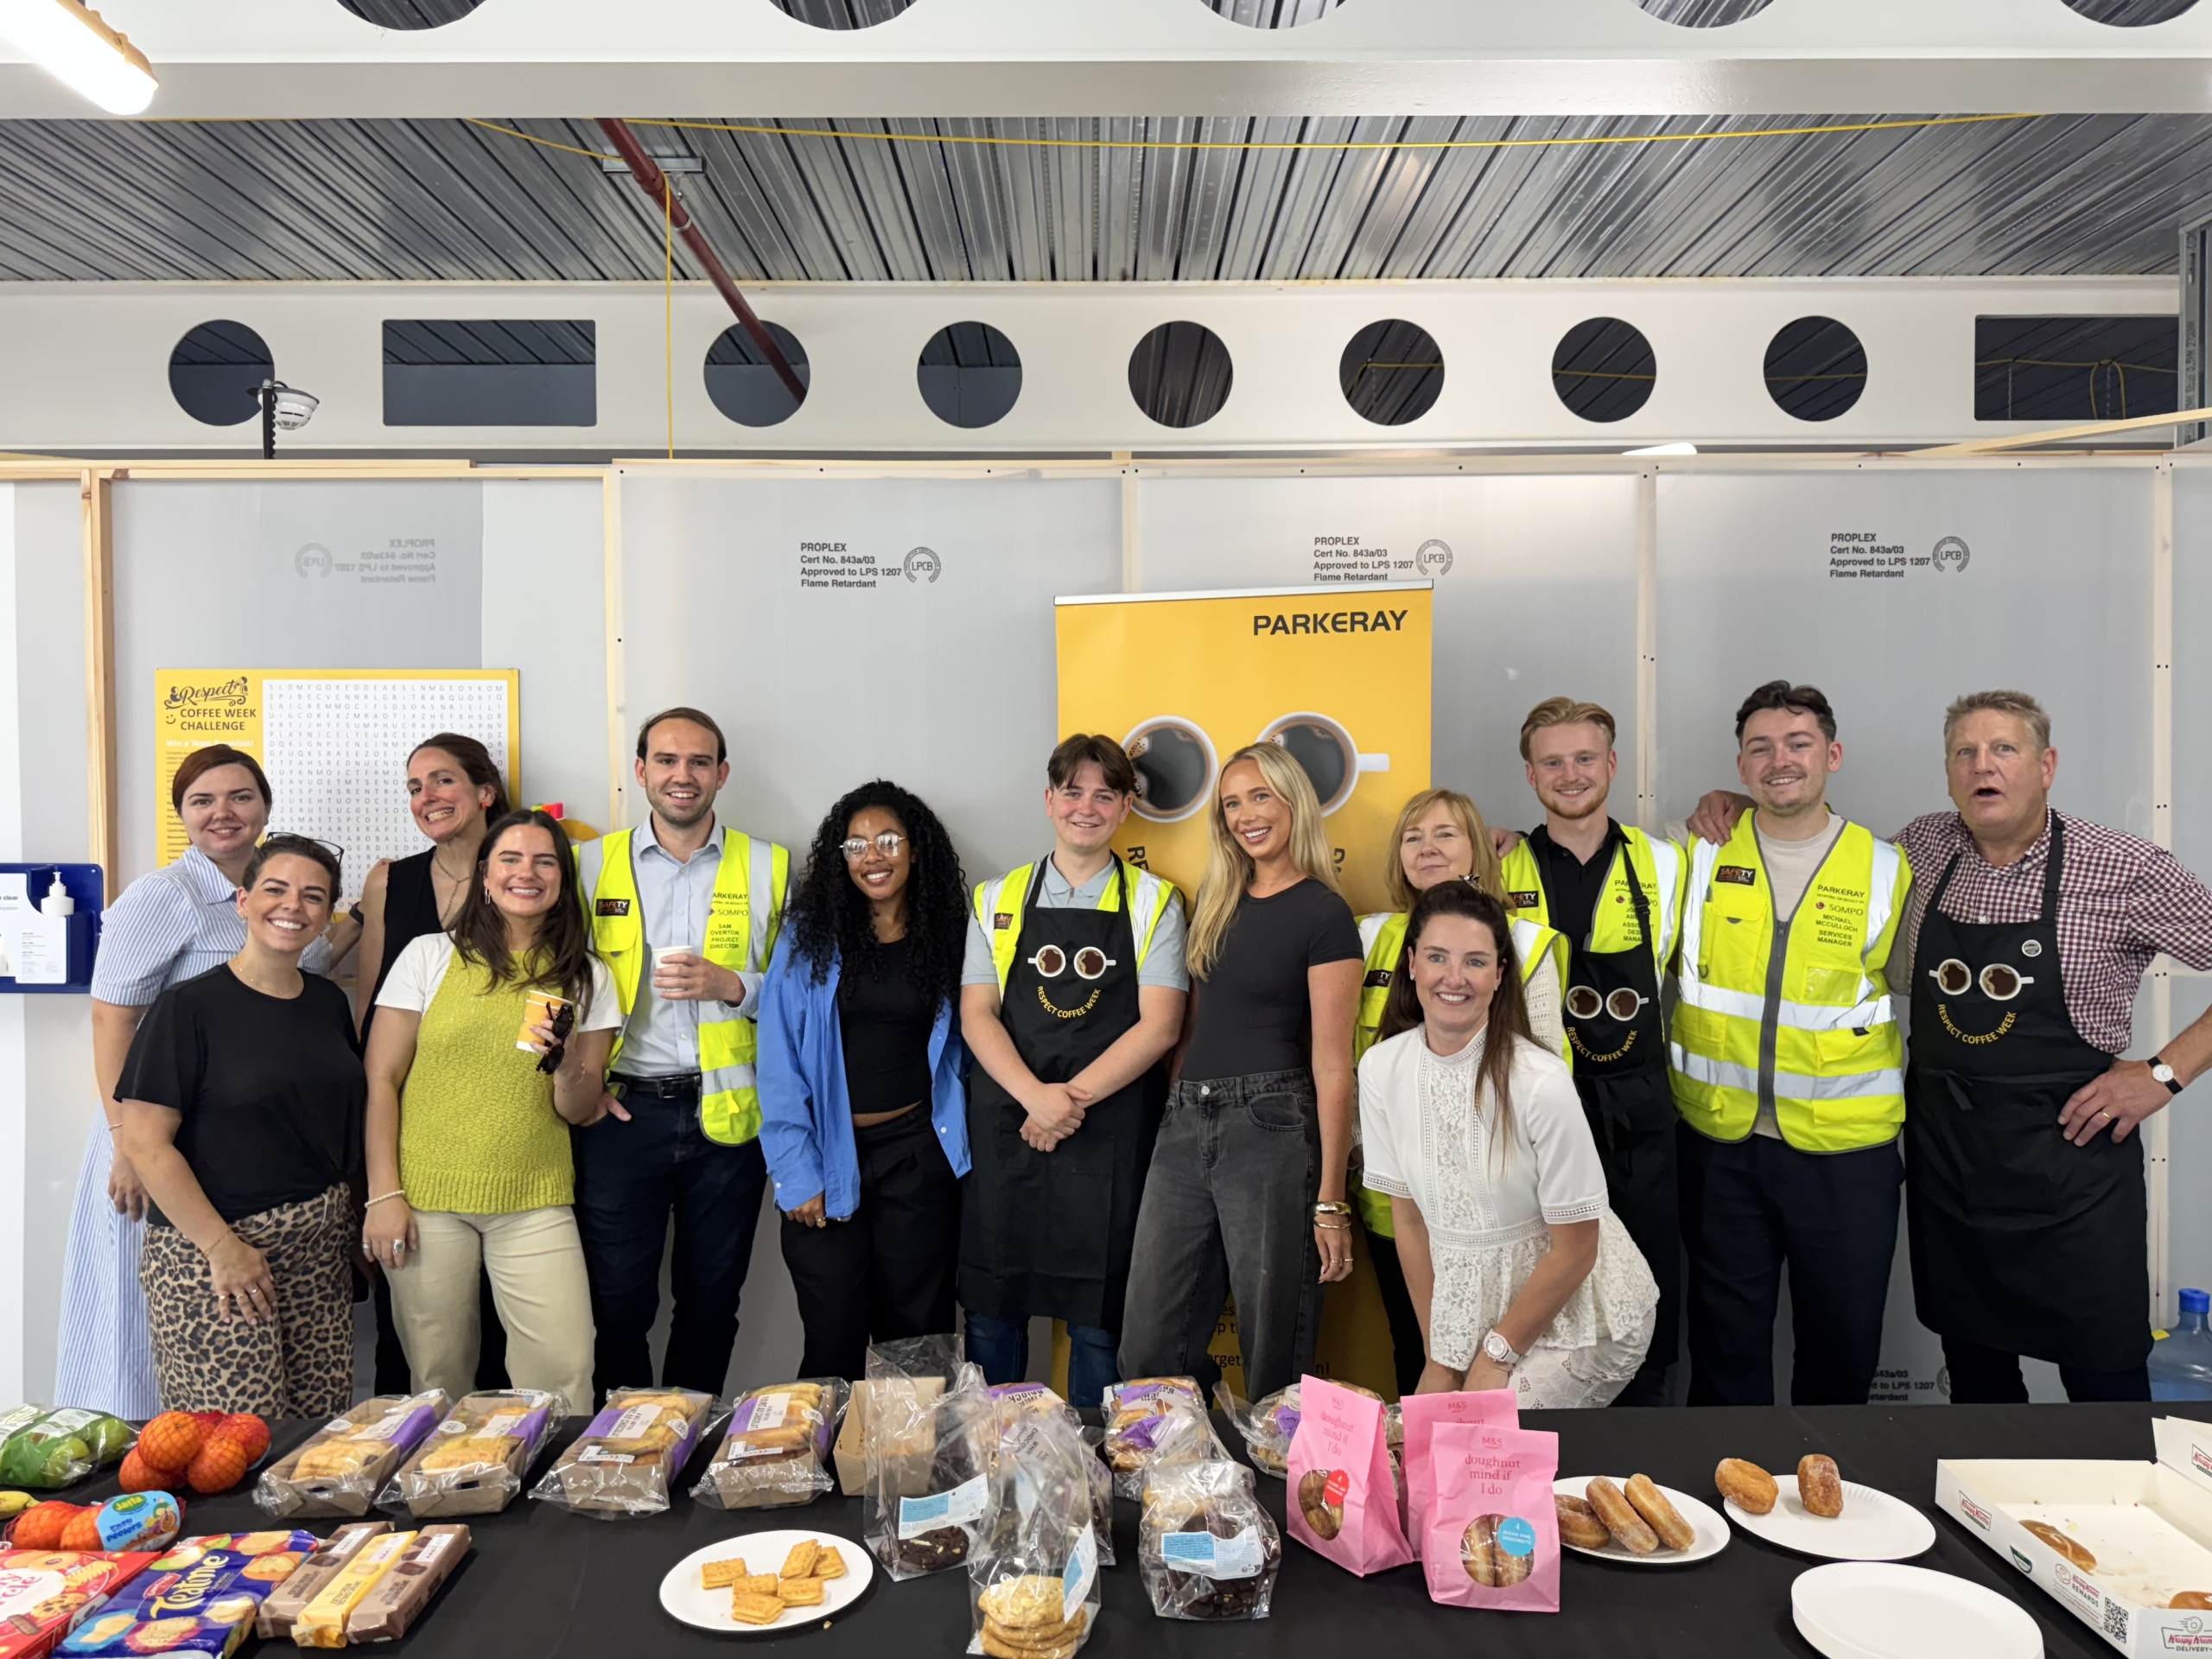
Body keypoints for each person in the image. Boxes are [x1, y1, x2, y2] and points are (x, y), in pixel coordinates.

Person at [1691, 690, 2212, 1403]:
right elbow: (1807, 835)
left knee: (2103, 1380)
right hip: (1954, 1166)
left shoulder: (2121, 866)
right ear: (1947, 774)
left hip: (2071, 1167)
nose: (1982, 766)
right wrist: (1740, 803)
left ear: (2046, 766)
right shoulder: (1921, 849)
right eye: (1964, 753)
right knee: (1977, 1384)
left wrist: (2163, 1074)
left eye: (2004, 750)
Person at [58, 743, 329, 1419]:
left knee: (225, 1317)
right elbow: (111, 1018)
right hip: (153, 1134)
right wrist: (126, 1142)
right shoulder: (164, 896)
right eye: (202, 801)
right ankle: (138, 1452)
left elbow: (294, 968)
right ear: (181, 814)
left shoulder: (275, 887)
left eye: (240, 796)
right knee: (144, 1320)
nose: (223, 813)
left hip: (237, 1145)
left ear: (265, 805)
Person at [1671, 682, 1912, 1408]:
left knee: (1842, 1355)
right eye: (1761, 747)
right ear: (1740, 767)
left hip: (1848, 1155)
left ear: (1832, 755)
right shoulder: (1697, 855)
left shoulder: (1887, 867)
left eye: (1799, 744)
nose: (1780, 760)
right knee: (1724, 1353)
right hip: (1722, 1146)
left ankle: (1826, 1483)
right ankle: (1725, 1481)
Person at [1118, 745, 1363, 1403]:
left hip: (1272, 1125)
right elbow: (1191, 1030)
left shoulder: (1324, 913)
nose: (1246, 815)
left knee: (1272, 1349)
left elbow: (1333, 1064)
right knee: (1148, 1344)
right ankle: (1181, 1461)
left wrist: (1331, 1200)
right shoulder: (1217, 900)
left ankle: (1273, 1467)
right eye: (1231, 803)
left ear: (1293, 802)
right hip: (1186, 1119)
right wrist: (1175, 1108)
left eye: (1260, 797)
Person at [1359, 881, 1657, 1405]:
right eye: (1437, 957)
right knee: (1436, 1433)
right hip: (1472, 1315)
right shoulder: (1381, 1068)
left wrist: (1495, 1356)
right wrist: (1439, 1357)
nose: (1454, 978)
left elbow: (1578, 1250)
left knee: (1479, 1437)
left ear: (1499, 975)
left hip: (1585, 1316)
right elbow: (1409, 1224)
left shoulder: (1540, 1081)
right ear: (1411, 964)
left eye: (1475, 961)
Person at [958, 734, 1189, 1408]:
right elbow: (977, 1014)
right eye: (1073, 792)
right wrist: (1035, 1098)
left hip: (1106, 1133)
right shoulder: (995, 898)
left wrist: (1065, 1102)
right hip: (1010, 1127)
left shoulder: (1155, 902)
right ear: (1049, 800)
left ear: (1125, 810)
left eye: (1104, 795)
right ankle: (998, 1454)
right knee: (993, 1309)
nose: (1086, 807)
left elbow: (1160, 1025)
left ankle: (1092, 1461)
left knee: (1099, 1319)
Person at [364, 809, 618, 1408]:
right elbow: (381, 1079)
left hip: (534, 1200)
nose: (526, 872)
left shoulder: (587, 976)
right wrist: (383, 1195)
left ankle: (545, 1473)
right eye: (510, 858)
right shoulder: (429, 956)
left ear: (562, 879)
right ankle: (454, 1472)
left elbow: (578, 1108)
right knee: (438, 1377)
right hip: (427, 1201)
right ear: (485, 875)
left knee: (564, 1373)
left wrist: (567, 1066)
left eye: (544, 861)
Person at [574, 709, 790, 1399]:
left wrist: (735, 986)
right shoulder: (588, 864)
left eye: (699, 762)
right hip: (621, 1114)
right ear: (641, 771)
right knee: (616, 1307)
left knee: (710, 1305)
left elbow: (802, 993)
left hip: (728, 1117)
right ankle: (627, 1443)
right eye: (666, 760)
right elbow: (553, 980)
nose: (682, 775)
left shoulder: (771, 865)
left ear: (722, 774)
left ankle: (690, 1439)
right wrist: (579, 1086)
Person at [112, 836, 362, 1414]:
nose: (293, 906)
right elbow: (146, 1144)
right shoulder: (186, 1008)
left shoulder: (328, 1003)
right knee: (233, 1439)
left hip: (318, 1251)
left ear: (327, 915)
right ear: (244, 902)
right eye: (276, 890)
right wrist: (222, 1247)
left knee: (316, 1433)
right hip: (214, 1253)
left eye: (313, 896)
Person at [1497, 697, 1688, 1408]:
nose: (1570, 774)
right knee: (1540, 1288)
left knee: (1646, 1292)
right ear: (1530, 775)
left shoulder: (1667, 863)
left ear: (1612, 765)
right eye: (1552, 762)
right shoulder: (1499, 865)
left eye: (1584, 759)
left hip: (1640, 1116)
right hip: (1534, 1118)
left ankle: (1641, 1434)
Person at [1354, 787, 1567, 1399]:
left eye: (1445, 834)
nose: (1427, 848)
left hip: (1496, 1211)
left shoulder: (1526, 944)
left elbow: (1544, 1077)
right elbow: (1353, 1064)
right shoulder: (1371, 937)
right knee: (1418, 1351)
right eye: (1413, 836)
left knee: (1500, 1369)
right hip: (1398, 1205)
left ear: (1478, 846)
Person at [758, 780, 970, 1382]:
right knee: (833, 1340)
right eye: (856, 845)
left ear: (915, 848)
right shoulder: (808, 937)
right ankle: (832, 1449)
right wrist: (796, 1169)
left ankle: (915, 1450)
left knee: (918, 1344)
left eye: (888, 841)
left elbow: (965, 1047)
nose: (872, 857)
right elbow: (777, 1058)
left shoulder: (947, 936)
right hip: (825, 1159)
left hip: (918, 1157)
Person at [354, 732, 513, 1395]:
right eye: (415, 787)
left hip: (505, 1127)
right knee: (418, 1328)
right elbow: (369, 1010)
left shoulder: (527, 874)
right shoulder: (389, 881)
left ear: (485, 791)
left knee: (502, 1327)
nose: (427, 797)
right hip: (412, 1128)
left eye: (443, 780)